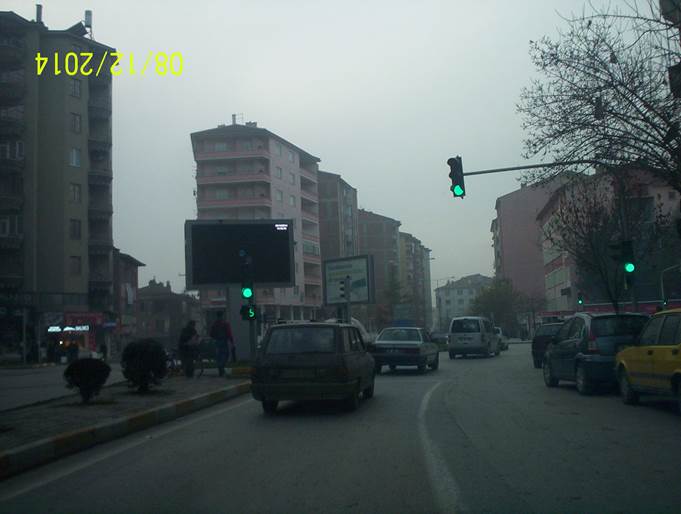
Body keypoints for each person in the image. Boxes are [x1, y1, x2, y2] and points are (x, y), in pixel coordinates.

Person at [210, 311, 234, 376]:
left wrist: (215, 337)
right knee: (225, 355)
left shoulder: (214, 324)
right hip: (223, 341)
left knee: (219, 355)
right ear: (222, 316)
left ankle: (220, 368)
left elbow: (211, 334)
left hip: (217, 341)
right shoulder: (225, 324)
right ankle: (221, 366)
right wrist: (232, 342)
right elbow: (229, 333)